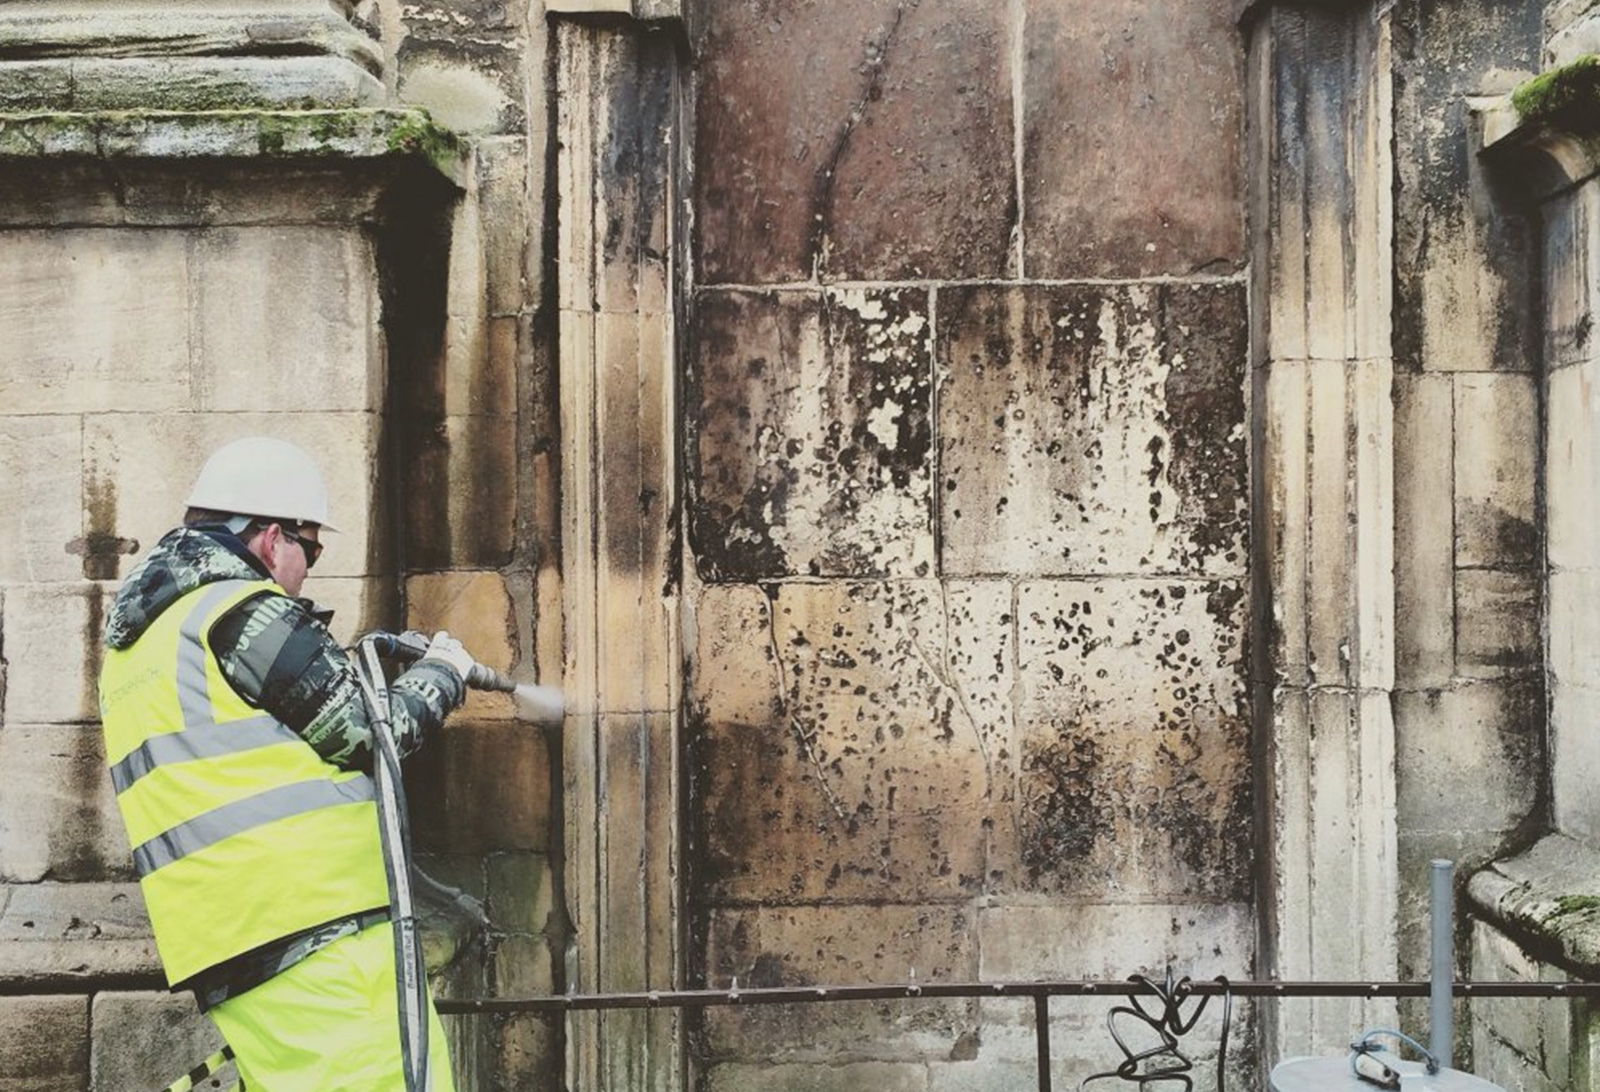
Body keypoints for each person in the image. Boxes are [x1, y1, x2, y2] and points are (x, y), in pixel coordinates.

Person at [98, 435, 470, 1092]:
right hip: (318, 929)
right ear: (272, 538)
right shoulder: (240, 610)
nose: (307, 572)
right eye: (311, 549)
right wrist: (444, 674)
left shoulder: (141, 645)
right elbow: (371, 734)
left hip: (228, 941)